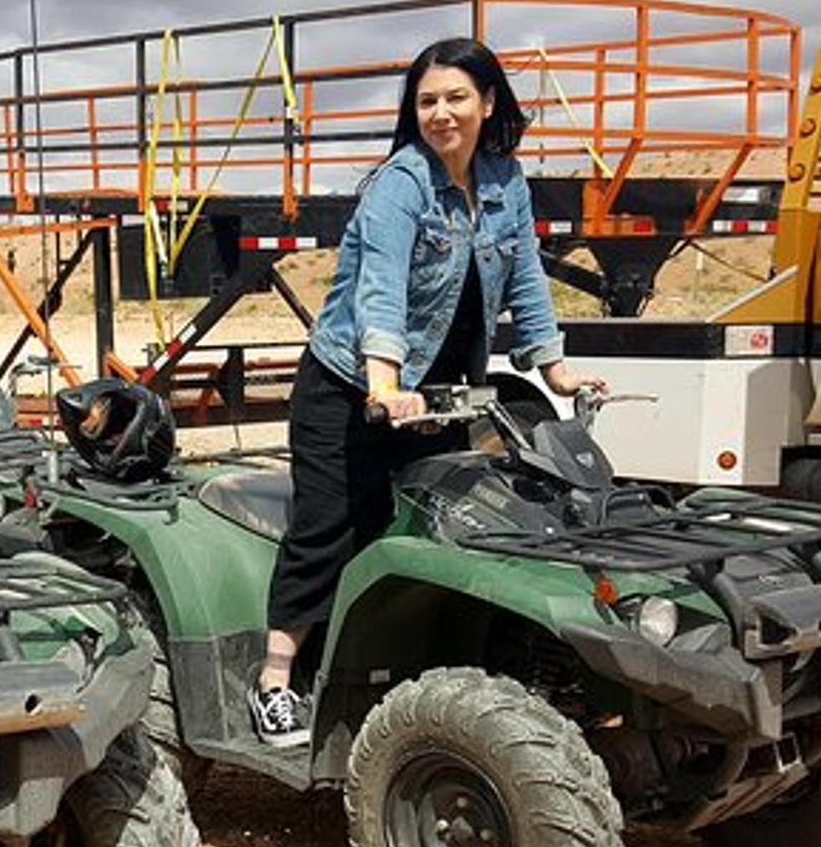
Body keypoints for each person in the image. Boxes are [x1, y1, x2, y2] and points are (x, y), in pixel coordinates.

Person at [249, 36, 607, 747]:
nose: (441, 113)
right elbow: (379, 287)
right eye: (427, 100)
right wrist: (384, 379)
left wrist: (554, 368)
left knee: (436, 524)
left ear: (488, 102)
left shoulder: (506, 184)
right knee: (330, 526)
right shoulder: (400, 184)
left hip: (440, 394)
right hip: (349, 388)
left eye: (455, 98)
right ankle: (276, 679)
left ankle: (400, 670)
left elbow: (528, 281)